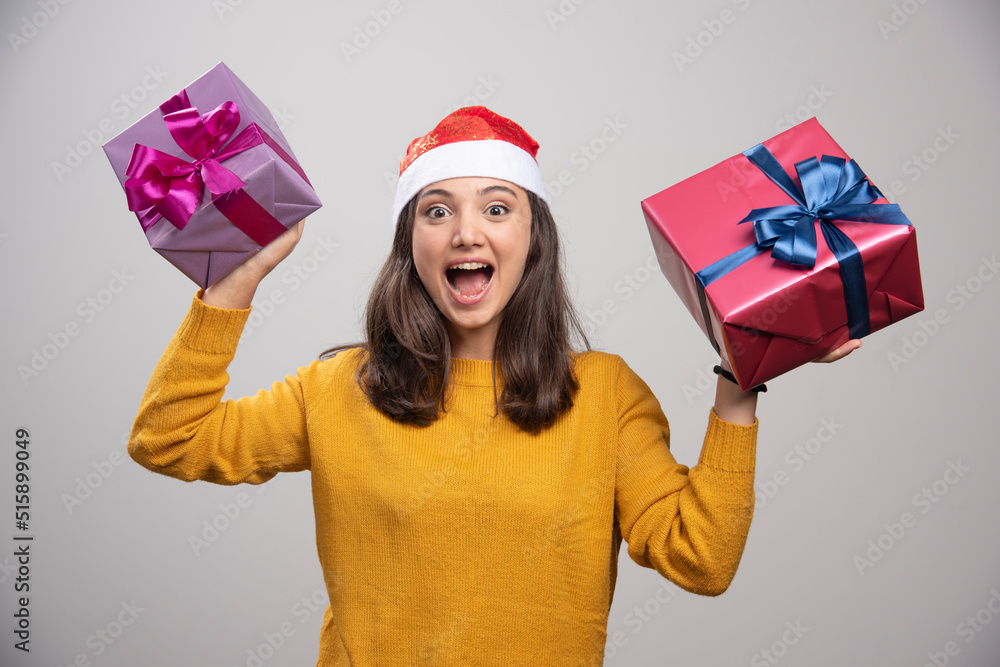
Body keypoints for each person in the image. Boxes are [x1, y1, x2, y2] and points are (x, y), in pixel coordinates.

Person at [128, 106, 860, 666]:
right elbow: (169, 438)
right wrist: (233, 284)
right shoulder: (336, 388)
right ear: (410, 242)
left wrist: (742, 377)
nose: (466, 233)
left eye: (497, 207)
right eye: (436, 209)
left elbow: (701, 558)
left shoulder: (603, 394)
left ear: (531, 239)